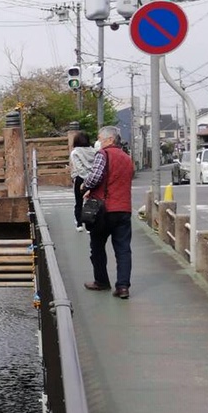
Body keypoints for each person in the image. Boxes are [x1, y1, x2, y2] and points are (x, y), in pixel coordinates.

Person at [81, 125, 134, 299]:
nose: (99, 142)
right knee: (123, 249)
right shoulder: (127, 158)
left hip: (104, 210)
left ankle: (102, 281)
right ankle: (123, 286)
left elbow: (96, 177)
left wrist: (85, 186)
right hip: (124, 209)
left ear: (109, 139)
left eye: (101, 139)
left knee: (97, 247)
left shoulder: (103, 154)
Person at [68, 131, 96, 231]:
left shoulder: (75, 152)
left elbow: (79, 168)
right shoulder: (94, 150)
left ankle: (79, 224)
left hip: (81, 179)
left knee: (79, 202)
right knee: (91, 201)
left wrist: (85, 179)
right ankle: (90, 226)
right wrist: (91, 179)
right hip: (93, 178)